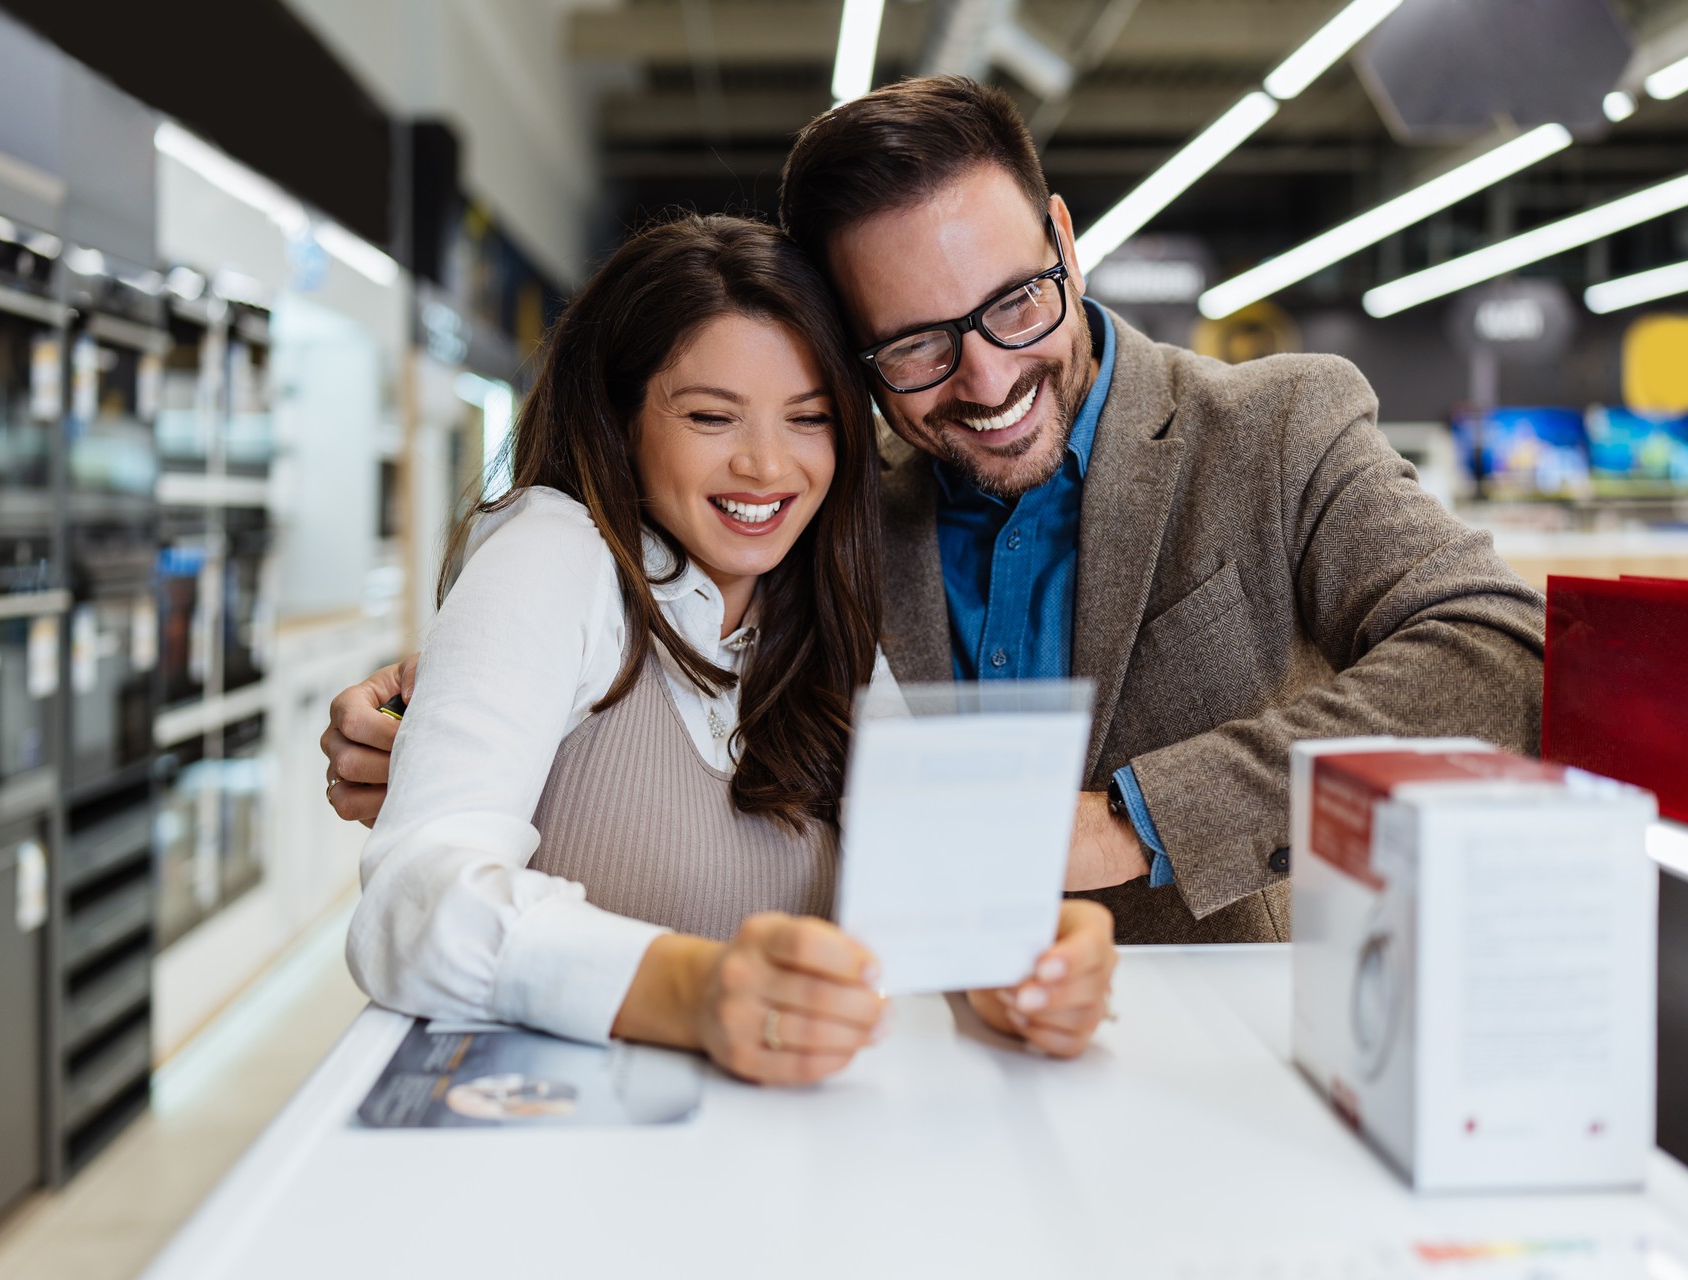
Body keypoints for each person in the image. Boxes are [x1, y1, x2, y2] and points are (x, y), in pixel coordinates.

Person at [327, 78, 1544, 945]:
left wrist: (1134, 818)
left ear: (1064, 237)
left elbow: (1503, 649)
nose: (988, 378)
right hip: (913, 1059)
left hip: (1207, 1048)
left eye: (1018, 301)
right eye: (913, 344)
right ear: (851, 353)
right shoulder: (836, 512)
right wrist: (459, 710)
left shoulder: (1273, 428)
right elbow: (685, 672)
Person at [346, 214, 1116, 1086]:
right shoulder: (556, 551)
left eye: (809, 419)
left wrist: (1025, 956)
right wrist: (699, 989)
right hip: (562, 1160)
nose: (766, 466)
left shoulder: (825, 616)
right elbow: (413, 902)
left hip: (774, 1163)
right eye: (712, 416)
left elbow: (930, 886)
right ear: (621, 416)